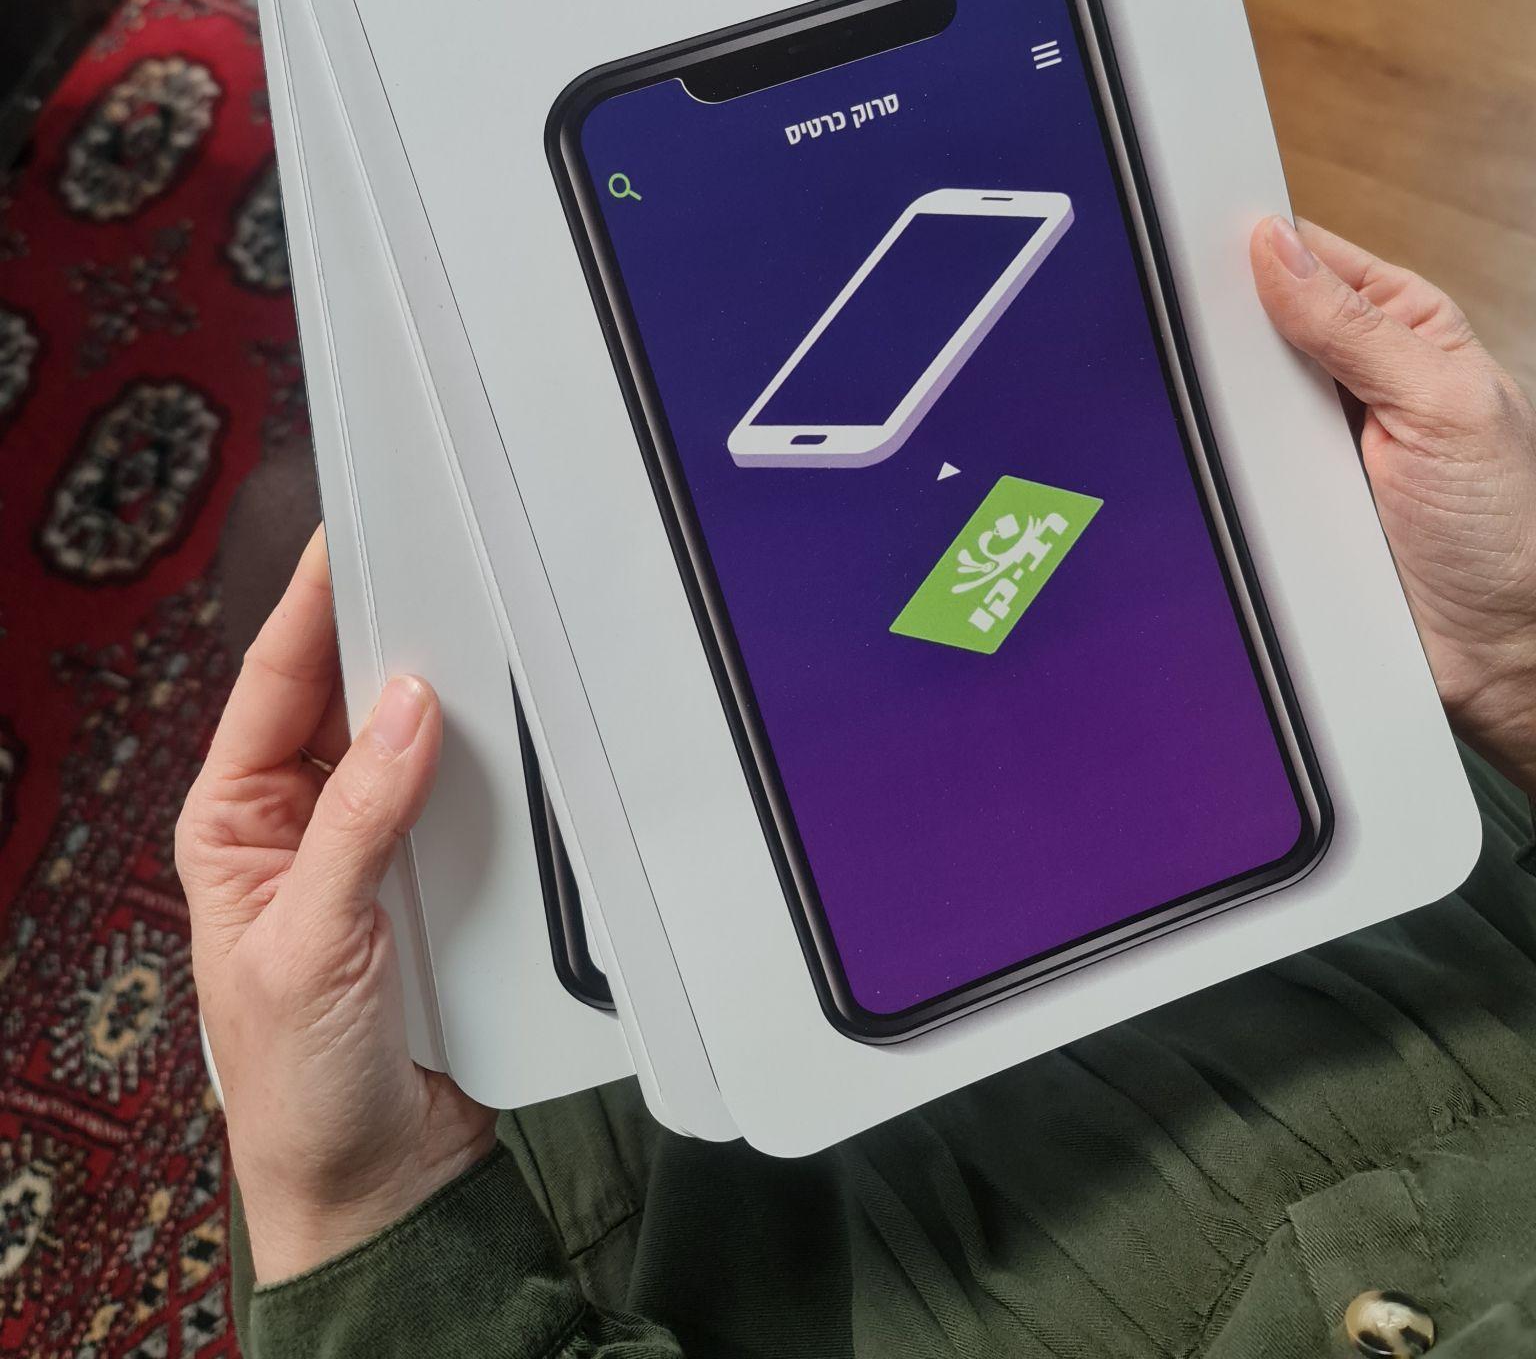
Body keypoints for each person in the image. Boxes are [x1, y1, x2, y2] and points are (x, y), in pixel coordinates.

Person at [179, 218, 1536, 1358]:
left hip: (747, 1170)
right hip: (1360, 917)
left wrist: (356, 1210)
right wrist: (1512, 667)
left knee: (318, 532)